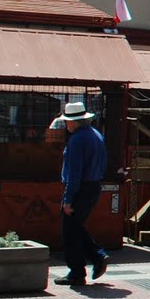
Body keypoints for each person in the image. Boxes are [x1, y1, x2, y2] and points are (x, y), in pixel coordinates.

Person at [56, 101, 108, 287]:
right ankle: (97, 256)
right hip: (93, 186)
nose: (66, 125)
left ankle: (77, 272)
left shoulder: (77, 140)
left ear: (75, 122)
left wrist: (68, 199)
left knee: (70, 231)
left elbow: (74, 173)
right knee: (75, 227)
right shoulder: (96, 135)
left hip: (80, 188)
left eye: (68, 122)